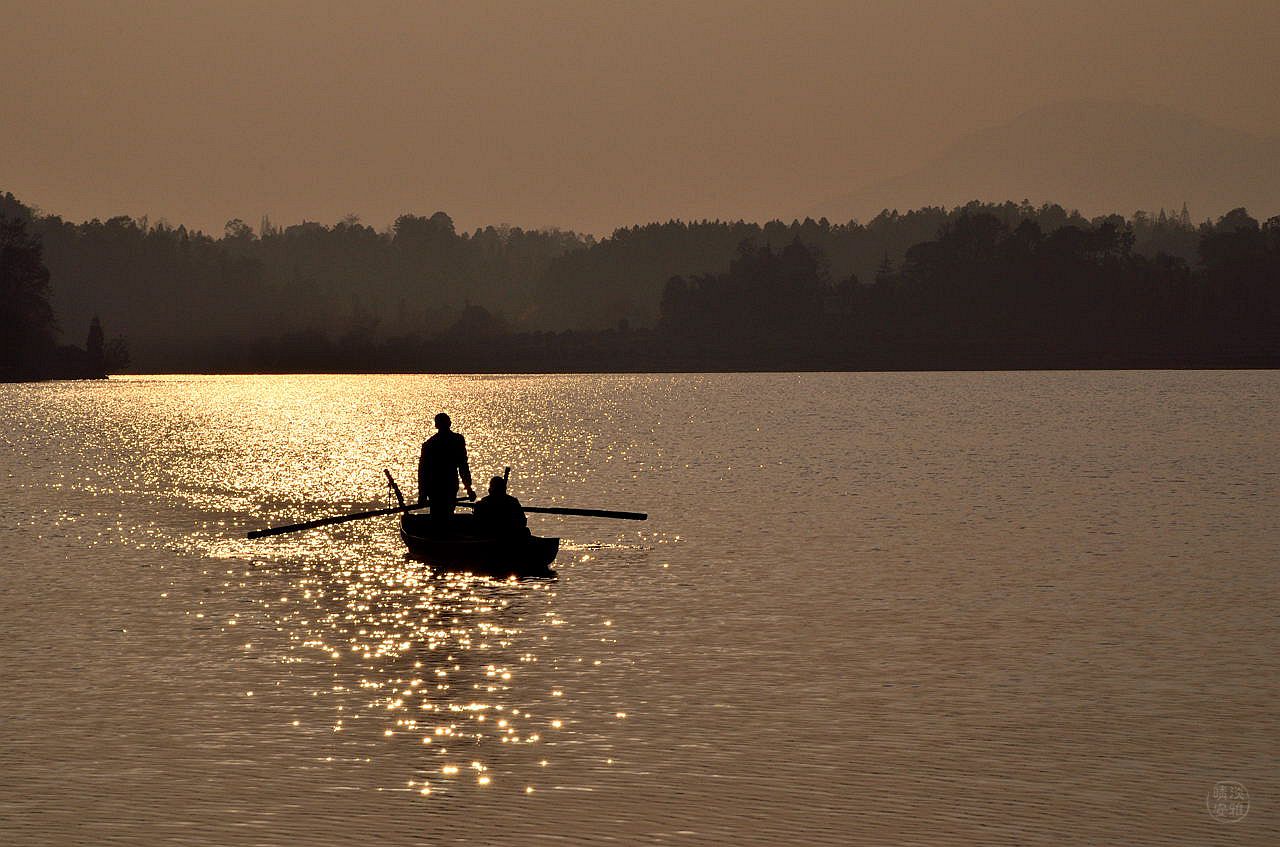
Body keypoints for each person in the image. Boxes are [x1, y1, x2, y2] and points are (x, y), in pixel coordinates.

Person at [418, 412, 474, 527]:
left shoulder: (430, 444)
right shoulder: (456, 440)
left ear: (436, 426)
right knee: (446, 515)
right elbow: (463, 466)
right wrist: (468, 488)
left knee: (439, 516)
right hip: (441, 486)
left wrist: (422, 493)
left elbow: (423, 472)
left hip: (441, 486)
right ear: (449, 423)